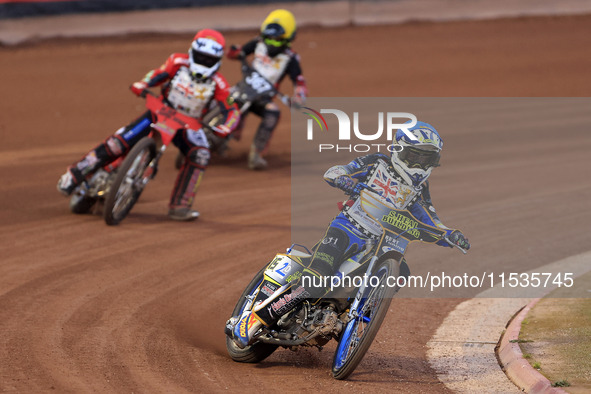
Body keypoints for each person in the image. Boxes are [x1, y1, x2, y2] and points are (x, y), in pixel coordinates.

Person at [229, 121, 471, 348]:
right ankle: (254, 320)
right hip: (347, 229)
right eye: (414, 156)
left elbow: (430, 218)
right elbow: (336, 170)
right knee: (317, 278)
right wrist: (344, 180)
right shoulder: (377, 162)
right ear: (399, 150)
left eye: (426, 159)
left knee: (403, 270)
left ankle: (353, 316)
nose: (419, 165)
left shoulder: (419, 189)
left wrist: (449, 234)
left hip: (381, 243)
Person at [57, 29, 240, 221]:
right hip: (160, 111)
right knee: (117, 143)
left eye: (209, 59)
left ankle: (180, 205)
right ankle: (75, 174)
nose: (204, 62)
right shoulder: (178, 62)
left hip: (187, 125)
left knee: (201, 154)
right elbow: (159, 74)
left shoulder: (220, 83)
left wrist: (226, 127)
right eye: (201, 56)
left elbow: (232, 110)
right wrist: (143, 84)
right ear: (192, 51)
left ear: (218, 60)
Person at [226, 9, 308, 170]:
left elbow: (299, 81)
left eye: (276, 40)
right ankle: (209, 134)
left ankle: (256, 154)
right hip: (242, 89)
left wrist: (299, 96)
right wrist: (234, 51)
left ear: (288, 39)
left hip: (263, 98)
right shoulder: (258, 43)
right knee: (222, 96)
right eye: (268, 38)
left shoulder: (291, 58)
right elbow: (238, 52)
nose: (271, 43)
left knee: (273, 113)